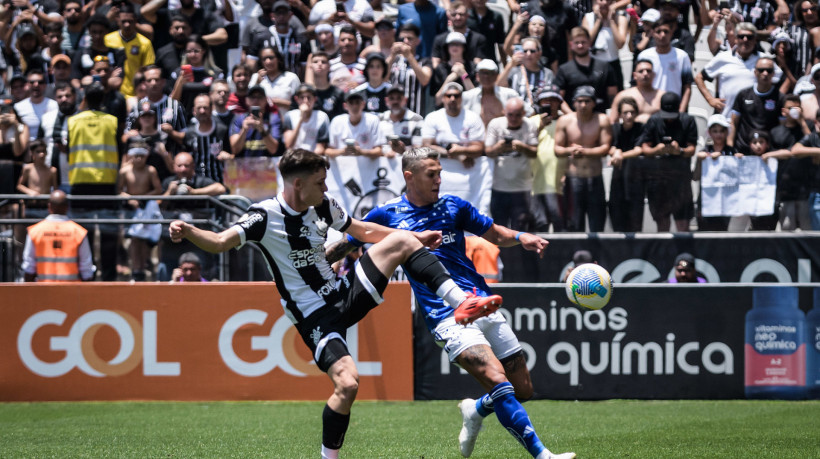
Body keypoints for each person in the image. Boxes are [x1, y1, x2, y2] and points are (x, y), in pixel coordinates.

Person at [168, 148, 503, 459]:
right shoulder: (263, 216)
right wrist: (188, 230)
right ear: (298, 184)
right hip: (314, 316)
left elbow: (362, 231)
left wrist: (414, 239)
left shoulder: (323, 205)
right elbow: (218, 242)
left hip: (344, 293)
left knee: (399, 237)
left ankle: (461, 303)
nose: (325, 187)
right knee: (347, 384)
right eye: (320, 182)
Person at [327, 147, 573, 459]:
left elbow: (494, 233)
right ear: (409, 176)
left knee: (521, 389)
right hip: (447, 316)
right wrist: (319, 264)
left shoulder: (454, 206)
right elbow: (349, 242)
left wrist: (522, 236)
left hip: (483, 303)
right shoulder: (387, 215)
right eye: (432, 174)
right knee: (497, 379)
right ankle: (543, 455)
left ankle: (475, 410)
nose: (439, 179)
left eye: (440, 173)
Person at [695, 22, 783, 119]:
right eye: (741, 36)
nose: (745, 40)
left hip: (754, 121)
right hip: (726, 119)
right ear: (736, 39)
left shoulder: (764, 60)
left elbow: (780, 79)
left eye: (749, 37)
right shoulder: (723, 57)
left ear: (755, 40)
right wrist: (710, 99)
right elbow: (699, 77)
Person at [554, 86, 612, 232]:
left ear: (594, 103)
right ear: (574, 103)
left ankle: (596, 254)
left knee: (597, 222)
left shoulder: (602, 120)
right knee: (574, 222)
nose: (583, 105)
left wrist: (585, 152)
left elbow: (605, 147)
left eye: (587, 101)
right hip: (574, 178)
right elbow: (557, 149)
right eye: (580, 101)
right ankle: (576, 254)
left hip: (595, 177)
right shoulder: (565, 121)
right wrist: (570, 150)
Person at [638, 91, 697, 232]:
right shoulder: (653, 120)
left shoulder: (687, 120)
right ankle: (663, 254)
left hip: (681, 180)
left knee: (683, 225)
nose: (669, 120)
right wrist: (657, 151)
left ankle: (684, 253)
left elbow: (692, 149)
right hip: (658, 179)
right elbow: (644, 148)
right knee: (662, 224)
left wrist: (679, 151)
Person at [22, 189, 95, 282]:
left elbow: (29, 267)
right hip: (72, 292)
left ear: (49, 206)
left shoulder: (35, 231)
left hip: (43, 291)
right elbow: (86, 270)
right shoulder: (79, 232)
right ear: (67, 207)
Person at [117, 140, 162, 281]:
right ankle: (136, 269)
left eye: (141, 156)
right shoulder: (125, 171)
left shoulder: (150, 170)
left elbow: (158, 189)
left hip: (146, 207)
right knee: (134, 239)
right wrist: (129, 198)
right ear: (131, 156)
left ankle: (145, 265)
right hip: (132, 209)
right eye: (136, 156)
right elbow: (119, 190)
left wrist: (144, 197)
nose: (138, 159)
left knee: (146, 239)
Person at [728, 56, 784, 155]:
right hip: (743, 152)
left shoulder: (780, 98)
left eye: (769, 70)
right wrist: (729, 148)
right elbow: (733, 122)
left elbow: (782, 127)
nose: (765, 73)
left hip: (769, 153)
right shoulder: (743, 95)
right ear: (755, 72)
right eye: (761, 70)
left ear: (773, 73)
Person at [530, 87, 568, 233]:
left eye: (553, 100)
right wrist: (540, 125)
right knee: (539, 223)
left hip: (558, 181)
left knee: (560, 221)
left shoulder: (566, 121)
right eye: (546, 100)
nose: (550, 103)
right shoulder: (531, 121)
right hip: (535, 182)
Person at [553, 27, 617, 114]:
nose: (580, 45)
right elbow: (559, 98)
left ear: (589, 43)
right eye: (577, 43)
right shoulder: (564, 69)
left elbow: (612, 95)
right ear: (571, 45)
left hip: (599, 116)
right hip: (574, 117)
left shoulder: (604, 66)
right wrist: (572, 116)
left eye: (583, 42)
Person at [422, 82, 485, 169]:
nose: (452, 99)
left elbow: (479, 148)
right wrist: (458, 155)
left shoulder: (473, 118)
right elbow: (425, 146)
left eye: (456, 96)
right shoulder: (432, 117)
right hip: (440, 169)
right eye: (449, 96)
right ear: (443, 98)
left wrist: (461, 150)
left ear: (461, 98)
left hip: (467, 170)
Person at [636, 17, 693, 111]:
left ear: (671, 33)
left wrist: (681, 111)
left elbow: (687, 87)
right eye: (658, 31)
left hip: (674, 109)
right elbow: (638, 85)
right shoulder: (644, 56)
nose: (662, 35)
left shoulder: (682, 56)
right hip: (650, 108)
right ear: (652, 33)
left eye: (666, 31)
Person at [608, 97, 646, 232]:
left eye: (632, 112)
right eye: (625, 112)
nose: (629, 116)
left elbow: (639, 149)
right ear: (619, 114)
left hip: (635, 178)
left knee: (635, 220)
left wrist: (620, 155)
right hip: (618, 178)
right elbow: (610, 146)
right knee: (617, 217)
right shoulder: (615, 128)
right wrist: (616, 151)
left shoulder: (641, 128)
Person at [104, 3, 155, 98]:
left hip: (135, 95)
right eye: (123, 21)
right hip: (111, 93)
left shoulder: (145, 43)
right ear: (117, 20)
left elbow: (148, 69)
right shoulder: (107, 40)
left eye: (130, 21)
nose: (127, 24)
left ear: (135, 21)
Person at [182, 94, 233, 184]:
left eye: (205, 107)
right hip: (196, 185)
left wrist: (228, 157)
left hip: (219, 183)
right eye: (199, 108)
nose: (202, 111)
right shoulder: (189, 133)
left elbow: (233, 155)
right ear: (194, 110)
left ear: (211, 109)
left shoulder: (222, 130)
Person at [463, 59, 528, 128]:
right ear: (477, 76)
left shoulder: (509, 94)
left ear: (496, 75)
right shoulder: (467, 96)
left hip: (504, 136)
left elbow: (528, 111)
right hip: (477, 137)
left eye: (490, 73)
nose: (486, 76)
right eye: (483, 73)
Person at [387, 23, 433, 117]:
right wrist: (392, 56)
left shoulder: (424, 61)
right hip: (393, 116)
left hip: (416, 114)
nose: (405, 41)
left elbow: (424, 80)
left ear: (418, 41)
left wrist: (409, 56)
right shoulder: (393, 60)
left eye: (410, 38)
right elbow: (381, 78)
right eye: (402, 39)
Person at [326, 91, 385, 158]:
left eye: (357, 102)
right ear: (345, 106)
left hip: (367, 167)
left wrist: (361, 152)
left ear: (363, 104)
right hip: (344, 165)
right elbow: (328, 151)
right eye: (351, 103)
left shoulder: (373, 120)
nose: (354, 106)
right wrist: (343, 151)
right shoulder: (337, 121)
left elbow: (379, 151)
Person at [229, 85, 282, 157]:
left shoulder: (273, 118)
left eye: (260, 97)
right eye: (252, 97)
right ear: (246, 100)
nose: (256, 100)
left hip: (266, 166)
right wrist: (244, 130)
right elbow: (235, 150)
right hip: (244, 166)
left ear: (266, 100)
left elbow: (273, 149)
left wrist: (262, 130)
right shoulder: (239, 119)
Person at [609, 59, 664, 124]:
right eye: (641, 71)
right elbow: (613, 122)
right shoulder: (622, 96)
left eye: (648, 71)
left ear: (654, 74)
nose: (645, 73)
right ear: (634, 75)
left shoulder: (662, 96)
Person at [282, 83, 331, 154]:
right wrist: (301, 118)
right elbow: (289, 145)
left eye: (309, 97)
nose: (305, 101)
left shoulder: (322, 117)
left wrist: (307, 160)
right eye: (302, 97)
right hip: (294, 157)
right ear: (297, 99)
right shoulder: (289, 116)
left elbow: (320, 148)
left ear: (315, 99)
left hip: (313, 158)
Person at [14, 69, 57, 142]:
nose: (36, 85)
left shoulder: (54, 105)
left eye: (40, 82)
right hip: (27, 149)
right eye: (32, 82)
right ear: (27, 85)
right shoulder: (18, 107)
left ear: (45, 85)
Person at [379, 85, 424, 154]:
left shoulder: (416, 119)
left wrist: (404, 150)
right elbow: (374, 145)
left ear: (405, 100)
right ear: (386, 101)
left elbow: (418, 148)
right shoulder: (379, 119)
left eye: (399, 98)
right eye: (391, 98)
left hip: (407, 162)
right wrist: (386, 152)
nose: (395, 101)